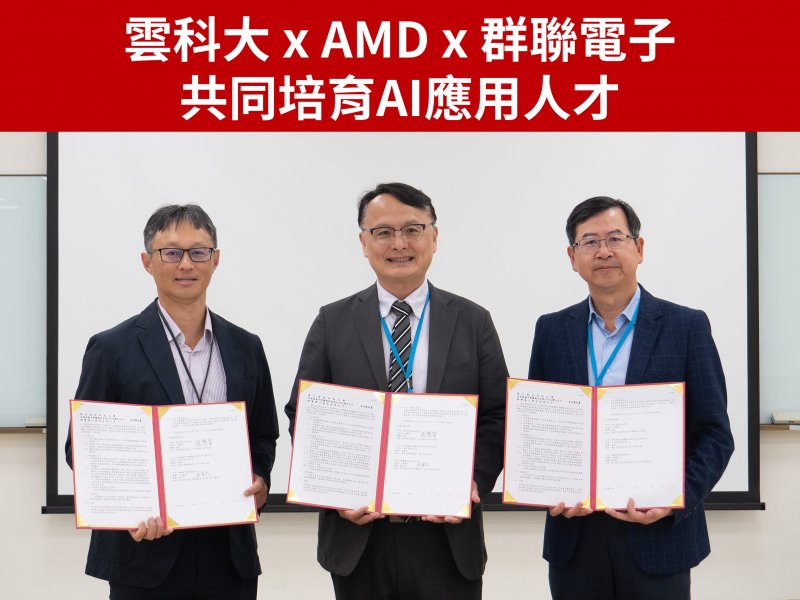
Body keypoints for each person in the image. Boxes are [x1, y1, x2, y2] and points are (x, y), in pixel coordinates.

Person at [285, 182, 508, 600]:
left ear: (434, 237)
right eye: (383, 232)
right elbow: (305, 414)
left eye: (412, 229)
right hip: (359, 537)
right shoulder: (332, 322)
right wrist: (335, 493)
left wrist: (473, 481)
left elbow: (498, 414)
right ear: (363, 243)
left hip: (447, 537)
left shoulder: (472, 321)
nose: (399, 244)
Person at [65, 204, 279, 599]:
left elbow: (264, 435)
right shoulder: (111, 348)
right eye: (171, 252)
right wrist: (129, 509)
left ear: (216, 260)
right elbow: (82, 448)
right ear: (147, 262)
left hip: (228, 554)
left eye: (198, 252)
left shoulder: (246, 347)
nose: (186, 264)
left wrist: (262, 480)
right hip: (144, 554)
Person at [528, 196, 734, 599]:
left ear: (639, 248)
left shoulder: (686, 326)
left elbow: (714, 434)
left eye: (615, 238)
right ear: (572, 257)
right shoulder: (551, 330)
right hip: (575, 537)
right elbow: (539, 432)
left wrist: (674, 500)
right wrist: (548, 489)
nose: (603, 251)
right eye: (589, 242)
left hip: (659, 538)